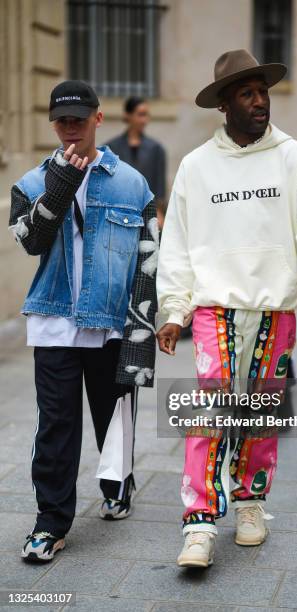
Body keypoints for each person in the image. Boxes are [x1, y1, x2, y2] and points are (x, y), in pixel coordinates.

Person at [156, 49, 297, 568]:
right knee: (211, 407)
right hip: (216, 308)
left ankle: (252, 502)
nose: (260, 102)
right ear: (224, 105)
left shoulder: (295, 157)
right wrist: (174, 309)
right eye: (247, 94)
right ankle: (199, 524)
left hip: (275, 310)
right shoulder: (196, 167)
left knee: (262, 408)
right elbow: (179, 245)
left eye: (264, 92)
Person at [8, 80, 158, 562]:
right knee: (56, 424)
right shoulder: (30, 183)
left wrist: (143, 331)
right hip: (54, 322)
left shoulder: (134, 185)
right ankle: (50, 523)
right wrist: (59, 188)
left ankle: (118, 486)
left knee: (113, 415)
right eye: (62, 122)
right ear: (53, 125)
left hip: (112, 322)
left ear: (98, 118)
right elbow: (30, 241)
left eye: (79, 119)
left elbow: (148, 263)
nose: (70, 130)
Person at [105, 97, 167, 227]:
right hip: (118, 214)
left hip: (148, 212)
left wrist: (159, 212)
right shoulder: (111, 148)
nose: (145, 120)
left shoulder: (156, 149)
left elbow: (159, 186)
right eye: (140, 114)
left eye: (146, 115)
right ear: (128, 116)